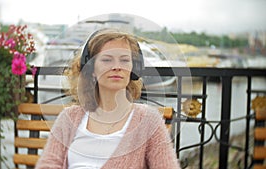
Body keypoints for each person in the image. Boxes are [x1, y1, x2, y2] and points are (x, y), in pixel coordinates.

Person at [35, 28, 181, 169]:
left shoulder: (149, 121)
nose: (117, 67)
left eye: (124, 60)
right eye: (107, 60)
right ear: (91, 69)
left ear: (134, 68)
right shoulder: (68, 118)